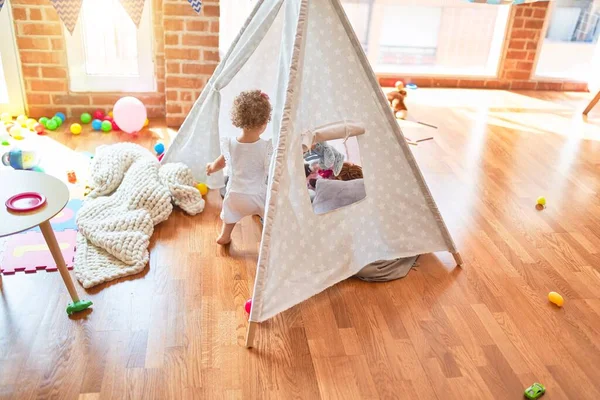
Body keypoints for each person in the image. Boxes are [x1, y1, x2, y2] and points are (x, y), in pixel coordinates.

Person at [206, 90, 273, 245]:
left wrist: (211, 167)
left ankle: (225, 235)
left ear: (239, 120)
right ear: (264, 124)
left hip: (235, 194)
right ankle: (267, 241)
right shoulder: (266, 147)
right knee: (269, 217)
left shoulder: (230, 144)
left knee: (230, 215)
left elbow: (221, 163)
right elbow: (272, 168)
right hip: (257, 196)